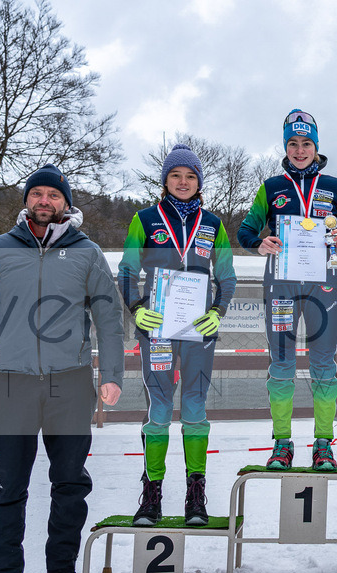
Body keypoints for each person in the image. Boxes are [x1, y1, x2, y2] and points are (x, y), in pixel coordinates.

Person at [0, 164, 124, 573]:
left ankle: (62, 571)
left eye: (53, 195)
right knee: (7, 484)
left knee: (69, 481)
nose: (44, 201)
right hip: (12, 385)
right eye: (37, 194)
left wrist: (111, 376)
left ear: (67, 204)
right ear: (26, 200)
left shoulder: (87, 253)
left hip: (70, 386)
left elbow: (108, 318)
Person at [237, 110, 337, 471]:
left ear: (316, 146)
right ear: (285, 146)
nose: (300, 150)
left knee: (324, 366)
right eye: (293, 144)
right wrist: (259, 242)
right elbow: (246, 230)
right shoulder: (271, 188)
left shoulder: (334, 186)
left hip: (323, 287)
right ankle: (282, 442)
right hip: (280, 285)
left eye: (306, 143)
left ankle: (323, 443)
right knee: (281, 365)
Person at [118, 144, 237, 527]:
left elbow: (228, 276)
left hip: (198, 331)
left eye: (190, 176)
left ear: (199, 182)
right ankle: (151, 496)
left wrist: (218, 311)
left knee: (195, 408)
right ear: (165, 180)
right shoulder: (146, 219)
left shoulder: (213, 224)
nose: (183, 182)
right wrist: (137, 308)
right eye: (175, 176)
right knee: (158, 407)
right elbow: (126, 270)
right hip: (158, 330)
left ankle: (195, 495)